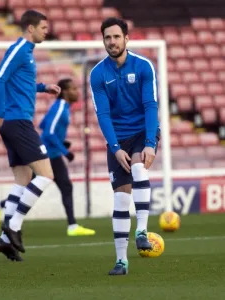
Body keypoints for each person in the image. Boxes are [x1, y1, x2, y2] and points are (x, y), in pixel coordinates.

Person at [90, 18, 160, 275]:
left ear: (126, 38)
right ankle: (122, 261)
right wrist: (115, 147)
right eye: (107, 38)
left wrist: (151, 143)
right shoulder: (97, 73)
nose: (112, 42)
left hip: (143, 131)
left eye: (116, 37)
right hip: (118, 139)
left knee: (140, 168)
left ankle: (142, 230)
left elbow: (150, 105)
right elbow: (103, 116)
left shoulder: (143, 66)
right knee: (120, 198)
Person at [0, 10, 61, 262]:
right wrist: (0, 114)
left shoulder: (27, 53)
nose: (46, 31)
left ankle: (6, 240)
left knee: (23, 178)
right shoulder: (20, 48)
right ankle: (15, 225)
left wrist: (44, 88)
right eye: (43, 27)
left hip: (15, 122)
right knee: (46, 175)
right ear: (30, 28)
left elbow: (21, 83)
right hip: (17, 121)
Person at [0, 78, 95, 237]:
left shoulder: (62, 107)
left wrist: (61, 143)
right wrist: (65, 151)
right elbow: (49, 133)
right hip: (50, 154)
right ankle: (72, 226)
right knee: (62, 186)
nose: (77, 91)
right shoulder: (61, 107)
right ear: (65, 92)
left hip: (49, 151)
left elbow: (44, 124)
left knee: (29, 186)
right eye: (73, 88)